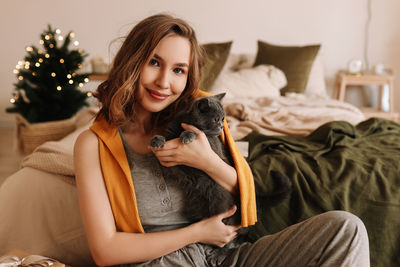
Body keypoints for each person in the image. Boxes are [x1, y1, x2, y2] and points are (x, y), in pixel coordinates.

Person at [74, 13, 370, 266]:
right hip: (165, 261)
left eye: (179, 70)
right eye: (154, 63)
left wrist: (207, 161)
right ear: (133, 62)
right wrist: (198, 233)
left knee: (347, 229)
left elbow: (246, 195)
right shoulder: (93, 145)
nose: (164, 82)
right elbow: (105, 250)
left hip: (226, 256)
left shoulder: (201, 117)